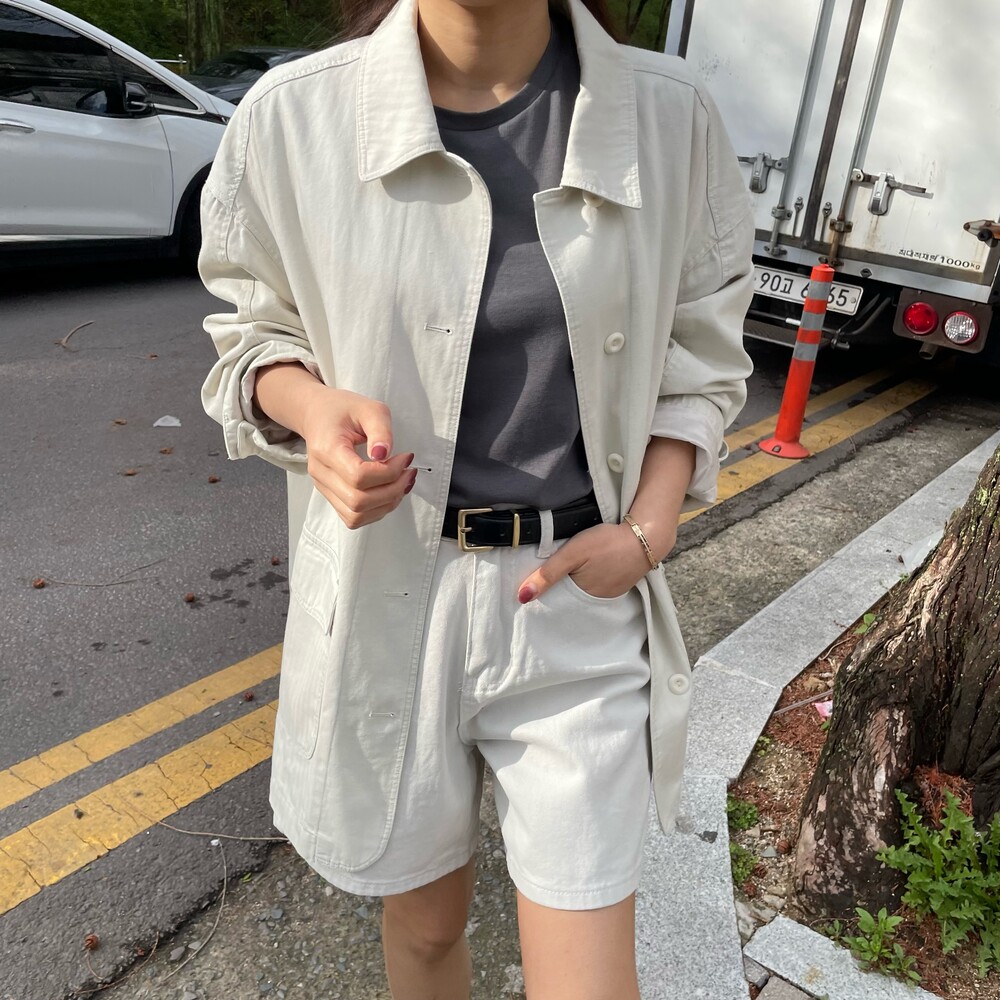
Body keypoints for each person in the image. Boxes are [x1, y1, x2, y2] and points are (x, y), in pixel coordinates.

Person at [198, 0, 754, 996]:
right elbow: (249, 328)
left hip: (576, 603)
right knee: (423, 931)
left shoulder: (669, 118)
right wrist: (311, 410)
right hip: (385, 595)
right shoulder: (293, 117)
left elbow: (702, 350)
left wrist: (648, 528)